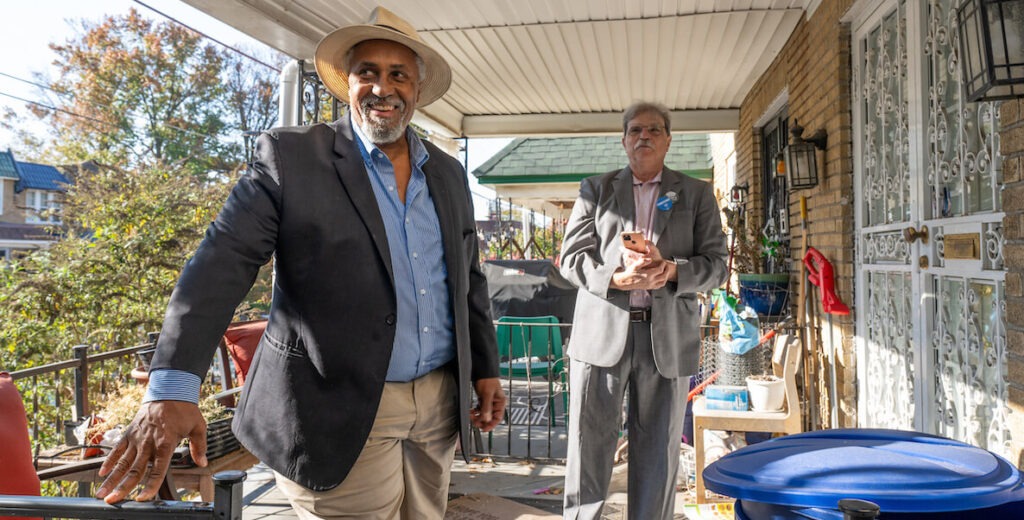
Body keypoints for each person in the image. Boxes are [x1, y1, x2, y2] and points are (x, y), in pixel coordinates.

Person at [96, 6, 506, 518]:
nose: (383, 87)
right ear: (346, 85)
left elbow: (467, 277)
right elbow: (222, 262)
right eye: (368, 73)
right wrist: (173, 387)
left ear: (417, 90)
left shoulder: (446, 174)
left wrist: (485, 368)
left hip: (439, 405)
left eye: (398, 74)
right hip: (338, 406)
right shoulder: (291, 158)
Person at [559, 101, 728, 519]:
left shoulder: (696, 193)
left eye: (653, 130)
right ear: (624, 140)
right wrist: (613, 280)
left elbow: (718, 265)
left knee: (658, 451)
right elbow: (571, 258)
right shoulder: (595, 190)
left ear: (668, 139)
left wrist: (672, 270)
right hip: (601, 335)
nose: (644, 137)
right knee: (589, 445)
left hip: (666, 338)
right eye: (635, 130)